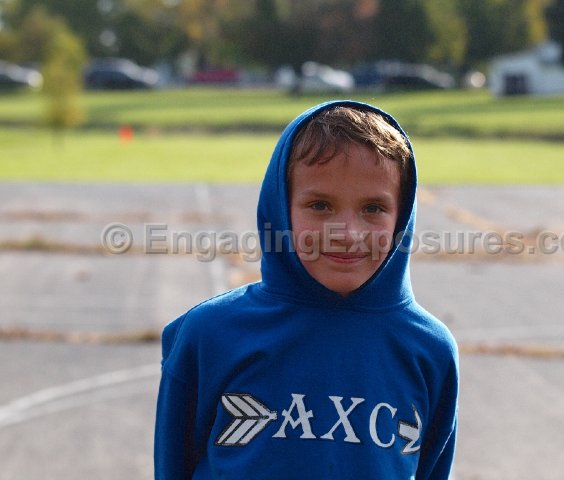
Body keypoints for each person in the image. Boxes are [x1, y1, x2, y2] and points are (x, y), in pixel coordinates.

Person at [154, 100, 459, 479]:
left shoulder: (429, 350)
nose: (347, 233)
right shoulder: (210, 334)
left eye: (372, 208)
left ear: (403, 214)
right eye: (320, 205)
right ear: (280, 206)